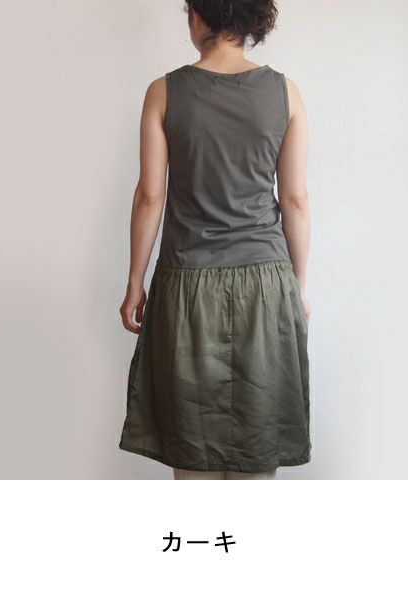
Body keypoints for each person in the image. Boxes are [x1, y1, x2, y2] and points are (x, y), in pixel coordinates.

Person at [119, 0, 311, 480]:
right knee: (257, 449)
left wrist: (135, 282)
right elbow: (295, 200)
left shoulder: (163, 92)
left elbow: (150, 197)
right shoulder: (285, 93)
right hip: (266, 286)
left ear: (198, 16)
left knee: (192, 451)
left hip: (188, 286)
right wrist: (298, 287)